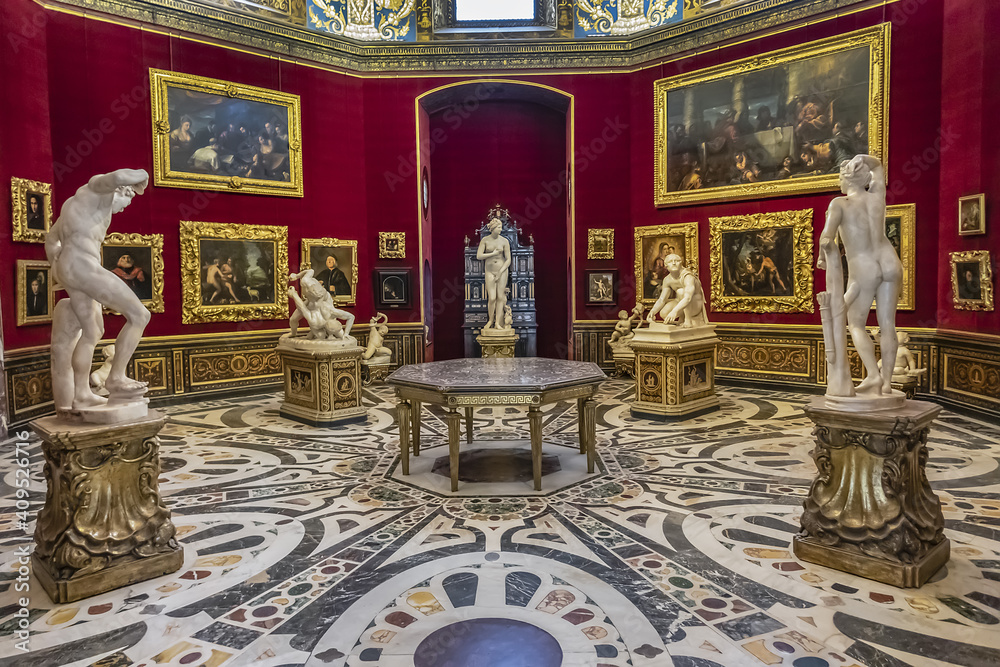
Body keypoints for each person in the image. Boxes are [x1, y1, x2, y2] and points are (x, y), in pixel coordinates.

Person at [46, 168, 151, 414]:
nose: (122, 209)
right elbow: (118, 177)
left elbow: (51, 240)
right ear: (121, 192)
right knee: (140, 315)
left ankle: (82, 395)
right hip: (84, 266)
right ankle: (116, 377)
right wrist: (143, 174)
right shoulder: (96, 188)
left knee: (92, 331)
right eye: (126, 202)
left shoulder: (71, 205)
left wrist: (59, 269)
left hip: (69, 267)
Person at [817, 154, 901, 396]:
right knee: (888, 324)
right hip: (890, 262)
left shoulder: (839, 204)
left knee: (855, 323)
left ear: (845, 179)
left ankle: (873, 375)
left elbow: (826, 237)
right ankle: (887, 383)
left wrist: (823, 256)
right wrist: (860, 158)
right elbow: (878, 165)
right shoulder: (877, 196)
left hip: (864, 267)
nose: (839, 183)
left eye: (840, 178)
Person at [646, 254, 708, 327]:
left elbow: (688, 298)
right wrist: (653, 311)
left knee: (681, 292)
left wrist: (674, 311)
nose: (674, 263)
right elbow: (662, 299)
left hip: (695, 306)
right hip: (681, 303)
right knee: (664, 313)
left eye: (676, 261)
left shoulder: (687, 276)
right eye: (670, 261)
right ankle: (682, 318)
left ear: (680, 263)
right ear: (666, 265)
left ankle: (688, 320)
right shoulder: (667, 279)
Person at [476, 217, 512, 331]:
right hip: (490, 271)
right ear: (493, 228)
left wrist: (500, 272)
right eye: (499, 227)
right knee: (492, 298)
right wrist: (493, 253)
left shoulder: (504, 241)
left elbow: (508, 259)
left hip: (502, 271)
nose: (501, 229)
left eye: (501, 227)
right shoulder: (485, 240)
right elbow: (479, 256)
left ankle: (497, 323)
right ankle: (490, 320)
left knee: (500, 297)